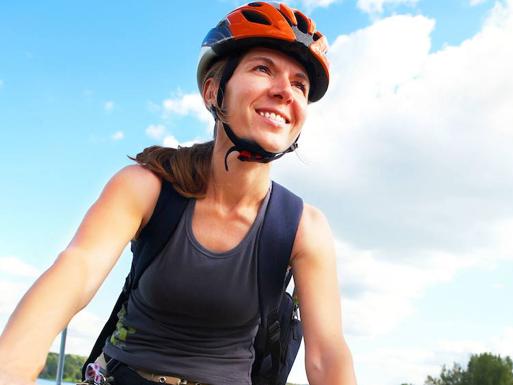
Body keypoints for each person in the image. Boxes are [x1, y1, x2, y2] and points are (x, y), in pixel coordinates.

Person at [0, 2, 357, 385]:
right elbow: (77, 269)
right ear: (212, 91)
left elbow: (327, 354)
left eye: (300, 84)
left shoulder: (304, 228)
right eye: (263, 68)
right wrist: (13, 366)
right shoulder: (145, 187)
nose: (285, 91)